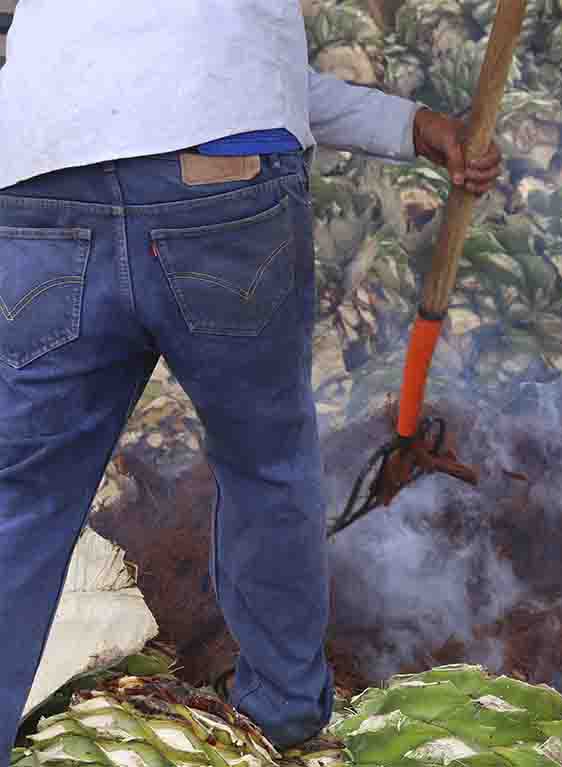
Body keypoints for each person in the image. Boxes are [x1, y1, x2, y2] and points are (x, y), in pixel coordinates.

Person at [0, 1, 503, 761]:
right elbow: (236, 69)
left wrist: (409, 124)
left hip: (40, 176)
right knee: (265, 465)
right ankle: (284, 723)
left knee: (20, 500)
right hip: (220, 181)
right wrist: (412, 122)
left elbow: (223, 60)